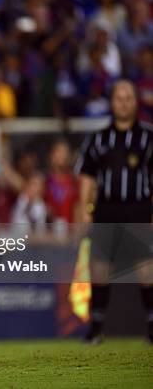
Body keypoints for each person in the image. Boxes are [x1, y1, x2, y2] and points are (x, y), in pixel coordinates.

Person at [75, 80, 153, 344]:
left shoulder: (148, 138)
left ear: (135, 101)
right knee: (99, 268)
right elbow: (87, 176)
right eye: (119, 98)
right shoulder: (98, 139)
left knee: (147, 269)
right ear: (112, 102)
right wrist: (85, 210)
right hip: (106, 208)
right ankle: (96, 329)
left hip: (139, 208)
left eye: (128, 97)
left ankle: (151, 328)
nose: (123, 102)